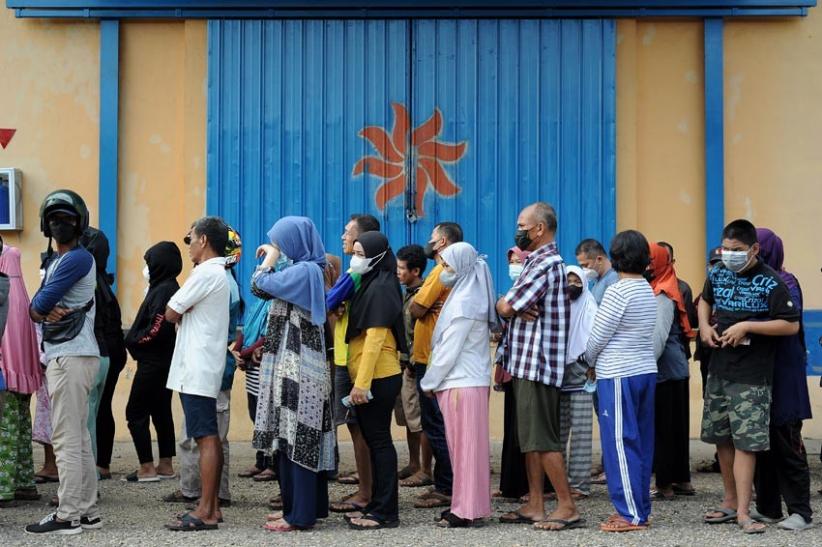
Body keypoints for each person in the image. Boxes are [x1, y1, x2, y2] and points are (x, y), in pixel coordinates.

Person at [700, 219, 800, 535]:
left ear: (754, 249)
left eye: (737, 251)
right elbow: (705, 300)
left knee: (746, 444)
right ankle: (729, 502)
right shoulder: (717, 272)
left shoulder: (771, 283)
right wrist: (704, 326)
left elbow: (790, 324)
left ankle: (745, 512)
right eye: (726, 250)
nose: (730, 256)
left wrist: (748, 326)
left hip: (752, 376)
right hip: (719, 369)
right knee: (722, 438)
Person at [495, 202, 581, 531]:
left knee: (543, 440)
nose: (518, 231)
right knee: (530, 440)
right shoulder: (535, 262)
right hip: (526, 364)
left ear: (539, 229)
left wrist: (508, 305)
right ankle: (535, 503)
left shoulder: (546, 264)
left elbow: (509, 304)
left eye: (522, 225)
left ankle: (566, 505)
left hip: (539, 364)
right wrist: (510, 306)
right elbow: (512, 305)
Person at [251, 216, 334, 532]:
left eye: (281, 242)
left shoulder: (305, 272)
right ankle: (296, 508)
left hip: (298, 370)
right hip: (291, 367)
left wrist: (270, 258)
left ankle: (300, 515)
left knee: (299, 437)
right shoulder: (303, 270)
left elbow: (258, 285)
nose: (277, 248)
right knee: (288, 438)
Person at [26, 190, 101, 535]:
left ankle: (67, 515)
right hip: (72, 354)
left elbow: (39, 304)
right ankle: (85, 510)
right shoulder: (59, 261)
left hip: (69, 356)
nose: (59, 224)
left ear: (80, 223)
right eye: (54, 219)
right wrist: (39, 307)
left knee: (67, 438)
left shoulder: (75, 259)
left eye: (66, 219)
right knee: (79, 437)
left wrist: (39, 308)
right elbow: (38, 305)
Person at [584, 230, 657, 532]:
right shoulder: (646, 288)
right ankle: (639, 508)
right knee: (640, 442)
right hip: (644, 369)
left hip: (617, 373)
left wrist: (587, 360)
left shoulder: (617, 291)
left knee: (618, 443)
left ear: (615, 258)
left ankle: (629, 514)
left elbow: (598, 336)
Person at [420, 242, 498, 528]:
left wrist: (429, 381)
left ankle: (465, 509)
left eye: (448, 266)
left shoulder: (464, 303)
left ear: (463, 267)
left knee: (464, 450)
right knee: (469, 449)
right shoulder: (467, 295)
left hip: (460, 383)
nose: (444, 271)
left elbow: (448, 350)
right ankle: (469, 506)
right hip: (468, 382)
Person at [166, 226, 241, 511]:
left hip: (197, 368)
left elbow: (171, 311)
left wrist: (182, 312)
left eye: (191, 239)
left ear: (205, 240)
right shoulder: (217, 273)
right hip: (201, 367)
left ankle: (206, 509)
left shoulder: (206, 272)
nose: (189, 245)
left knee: (206, 437)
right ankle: (210, 506)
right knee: (208, 436)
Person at [751, 227, 812, 531]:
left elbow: (788, 320)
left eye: (757, 249)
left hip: (784, 375)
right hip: (757, 375)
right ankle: (768, 506)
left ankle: (800, 510)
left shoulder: (786, 282)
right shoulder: (749, 282)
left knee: (787, 442)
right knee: (761, 443)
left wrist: (747, 322)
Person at [344, 231, 406, 530]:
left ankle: (386, 512)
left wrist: (362, 384)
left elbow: (375, 339)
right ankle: (377, 505)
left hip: (378, 377)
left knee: (380, 442)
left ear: (377, 256)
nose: (354, 259)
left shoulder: (381, 287)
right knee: (374, 440)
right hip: (371, 376)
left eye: (360, 253)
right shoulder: (372, 283)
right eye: (354, 252)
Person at [326, 214, 380, 513]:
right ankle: (367, 488)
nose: (344, 237)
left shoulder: (357, 272)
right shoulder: (358, 271)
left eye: (349, 233)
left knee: (359, 428)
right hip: (345, 356)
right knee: (357, 428)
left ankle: (365, 492)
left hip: (352, 361)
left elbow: (328, 301)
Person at [409, 222, 462, 509]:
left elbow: (417, 308)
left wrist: (418, 305)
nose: (428, 243)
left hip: (432, 358)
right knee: (435, 423)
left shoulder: (442, 271)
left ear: (441, 242)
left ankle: (448, 486)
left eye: (432, 239)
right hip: (428, 355)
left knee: (436, 424)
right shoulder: (442, 270)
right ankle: (444, 482)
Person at [123, 242, 182, 481]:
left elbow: (156, 328)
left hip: (153, 362)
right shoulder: (165, 287)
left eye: (150, 263)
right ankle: (165, 464)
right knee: (160, 410)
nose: (147, 268)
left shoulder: (163, 290)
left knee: (135, 412)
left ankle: (146, 468)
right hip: (163, 361)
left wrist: (135, 340)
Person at [647, 243, 695, 500]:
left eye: (649, 260)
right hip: (674, 368)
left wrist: (644, 365)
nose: (646, 265)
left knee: (665, 430)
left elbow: (658, 336)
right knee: (675, 428)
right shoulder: (668, 283)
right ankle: (682, 481)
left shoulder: (663, 292)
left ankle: (665, 485)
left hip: (664, 369)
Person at [79, 227, 127, 481]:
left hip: (101, 351)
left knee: (93, 413)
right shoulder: (102, 281)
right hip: (112, 350)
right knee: (101, 408)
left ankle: (96, 467)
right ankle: (101, 464)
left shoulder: (89, 283)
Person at [0, 242, 43, 506]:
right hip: (23, 369)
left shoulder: (3, 294)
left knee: (5, 426)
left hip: (5, 371)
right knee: (21, 422)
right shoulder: (22, 294)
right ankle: (25, 483)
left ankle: (3, 487)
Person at [558, 266, 598, 499]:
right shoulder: (558, 306)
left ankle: (580, 485)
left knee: (581, 432)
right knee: (559, 432)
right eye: (568, 280)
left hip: (582, 373)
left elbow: (594, 338)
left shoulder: (590, 306)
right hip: (558, 375)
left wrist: (592, 365)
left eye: (577, 280)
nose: (572, 284)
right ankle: (560, 482)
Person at [395, 244, 433, 488]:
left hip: (415, 365)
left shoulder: (424, 295)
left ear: (416, 270)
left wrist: (412, 360)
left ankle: (425, 468)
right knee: (408, 418)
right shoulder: (405, 293)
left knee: (419, 419)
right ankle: (413, 462)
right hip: (402, 363)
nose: (397, 272)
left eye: (401, 268)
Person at [495, 247, 531, 500]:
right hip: (510, 364)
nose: (514, 265)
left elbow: (506, 309)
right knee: (512, 427)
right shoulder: (515, 289)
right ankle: (510, 486)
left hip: (525, 366)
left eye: (519, 261)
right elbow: (503, 308)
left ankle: (526, 486)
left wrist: (504, 306)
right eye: (512, 261)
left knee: (525, 430)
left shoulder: (531, 289)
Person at [657, 241, 698, 360]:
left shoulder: (682, 289)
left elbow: (689, 323)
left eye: (665, 259)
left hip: (676, 355)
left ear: (672, 262)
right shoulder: (645, 287)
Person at [575, 238, 619, 305]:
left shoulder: (613, 279)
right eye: (581, 266)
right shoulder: (597, 280)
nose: (584, 269)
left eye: (586, 265)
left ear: (599, 259)